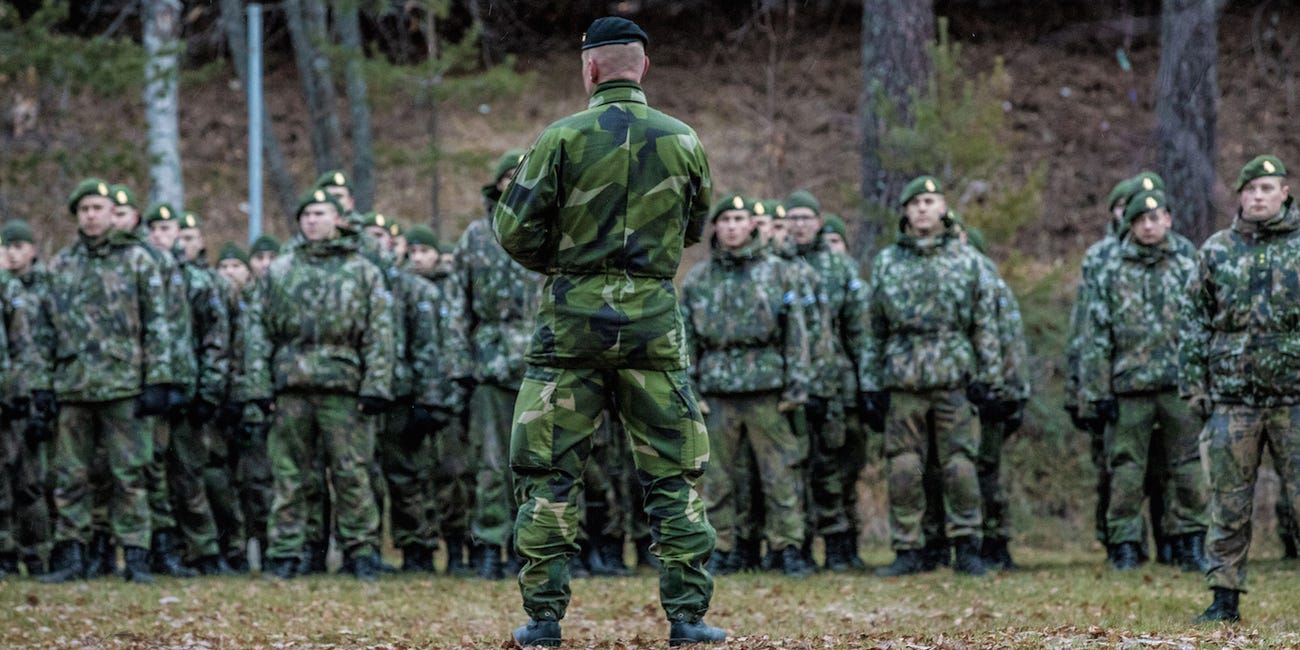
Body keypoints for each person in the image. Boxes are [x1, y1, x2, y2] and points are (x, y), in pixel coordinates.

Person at [493, 17, 724, 647]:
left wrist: (569, 267)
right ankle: (687, 617)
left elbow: (512, 230)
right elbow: (695, 227)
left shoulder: (560, 138)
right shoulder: (684, 140)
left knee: (548, 469)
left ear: (590, 68)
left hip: (570, 327)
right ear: (643, 67)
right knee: (673, 472)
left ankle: (544, 619)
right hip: (652, 325)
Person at [243, 188, 394, 581]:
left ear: (338, 219)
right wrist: (258, 386)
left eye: (320, 213)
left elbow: (380, 333)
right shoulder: (280, 271)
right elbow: (257, 330)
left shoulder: (362, 271)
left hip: (344, 387)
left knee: (351, 472)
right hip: (291, 386)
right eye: (306, 214)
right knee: (290, 475)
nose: (312, 220)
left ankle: (361, 551)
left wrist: (376, 385)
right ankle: (286, 551)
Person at [863, 175, 1002, 577]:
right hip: (903, 378)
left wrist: (989, 377)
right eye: (915, 203)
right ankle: (909, 547)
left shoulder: (967, 260)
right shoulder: (887, 262)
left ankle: (967, 545)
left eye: (930, 201)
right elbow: (875, 329)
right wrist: (871, 384)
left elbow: (984, 324)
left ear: (943, 208)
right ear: (905, 211)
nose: (922, 209)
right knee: (904, 466)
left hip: (953, 377)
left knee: (960, 465)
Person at [1182, 155, 1300, 623]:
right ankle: (1223, 597)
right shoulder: (1216, 251)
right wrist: (1195, 386)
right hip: (1233, 401)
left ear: (1284, 193)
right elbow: (1194, 321)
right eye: (1250, 189)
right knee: (1228, 501)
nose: (1257, 197)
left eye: (1267, 188)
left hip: (1295, 398)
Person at [39, 179, 174, 584]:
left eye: (98, 208)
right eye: (84, 210)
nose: (91, 216)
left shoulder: (137, 260)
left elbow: (157, 323)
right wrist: (41, 383)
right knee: (70, 476)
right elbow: (44, 330)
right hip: (74, 385)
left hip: (124, 384)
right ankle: (72, 555)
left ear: (112, 213)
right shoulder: (61, 265)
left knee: (130, 474)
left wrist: (159, 379)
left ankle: (135, 555)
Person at [1077, 190, 1208, 572]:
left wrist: (1205, 381)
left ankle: (1193, 541)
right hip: (1129, 387)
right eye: (1140, 220)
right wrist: (1097, 392)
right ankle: (1124, 544)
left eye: (1155, 218)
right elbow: (1096, 336)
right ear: (1129, 225)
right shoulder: (1111, 270)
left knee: (1188, 467)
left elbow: (1205, 326)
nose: (1148, 226)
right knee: (1126, 470)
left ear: (1168, 219)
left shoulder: (1188, 264)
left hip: (1179, 386)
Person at [682, 194, 811, 578]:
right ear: (715, 227)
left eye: (739, 219)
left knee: (779, 475)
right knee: (718, 478)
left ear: (752, 225)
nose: (732, 227)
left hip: (767, 389)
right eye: (725, 220)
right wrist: (691, 390)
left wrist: (796, 386)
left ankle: (788, 547)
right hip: (717, 390)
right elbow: (685, 340)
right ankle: (724, 547)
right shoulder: (699, 279)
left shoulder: (778, 272)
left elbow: (796, 332)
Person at [453, 149, 541, 581]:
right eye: (508, 178)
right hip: (488, 361)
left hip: (541, 362)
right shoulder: (475, 237)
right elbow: (457, 304)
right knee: (490, 463)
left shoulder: (553, 231)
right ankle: (490, 544)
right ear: (498, 185)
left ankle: (536, 545)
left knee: (540, 461)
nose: (514, 185)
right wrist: (459, 364)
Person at [784, 189, 869, 571]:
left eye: (806, 218)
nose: (799, 225)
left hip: (834, 383)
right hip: (789, 383)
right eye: (793, 218)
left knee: (832, 466)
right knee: (794, 465)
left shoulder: (839, 267)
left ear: (819, 222)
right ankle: (798, 544)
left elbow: (857, 331)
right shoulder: (777, 264)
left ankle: (838, 544)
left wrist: (865, 383)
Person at [1, 219, 56, 576]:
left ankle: (37, 552)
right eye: (6, 247)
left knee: (29, 481)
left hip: (24, 395)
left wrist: (33, 395)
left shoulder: (34, 290)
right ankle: (6, 550)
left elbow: (28, 348)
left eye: (17, 246)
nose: (11, 253)